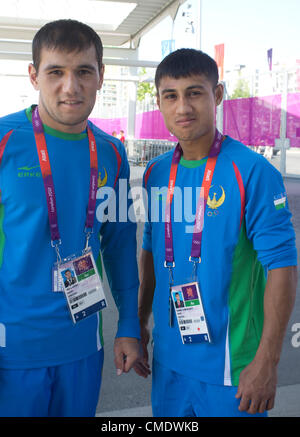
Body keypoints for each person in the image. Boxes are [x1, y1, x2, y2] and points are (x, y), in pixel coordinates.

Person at [134, 49, 298, 417]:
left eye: (194, 92)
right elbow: (151, 250)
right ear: (159, 101)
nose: (183, 107)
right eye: (171, 96)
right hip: (169, 365)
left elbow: (282, 267)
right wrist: (140, 322)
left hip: (232, 371)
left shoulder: (252, 171)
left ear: (217, 95)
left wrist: (267, 362)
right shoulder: (156, 173)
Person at [0, 19, 140, 417]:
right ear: (33, 75)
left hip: (82, 347)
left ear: (100, 76)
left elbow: (118, 246)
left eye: (83, 71)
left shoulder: (111, 153)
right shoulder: (5, 141)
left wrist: (129, 322)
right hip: (11, 350)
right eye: (56, 72)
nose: (70, 86)